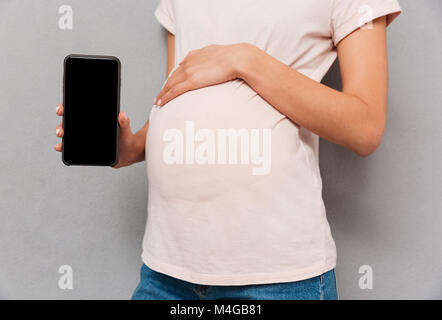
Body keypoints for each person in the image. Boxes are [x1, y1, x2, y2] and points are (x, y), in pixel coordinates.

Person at [54, 0, 401, 300]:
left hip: (275, 279)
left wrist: (244, 59)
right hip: (166, 269)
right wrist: (132, 147)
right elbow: (178, 91)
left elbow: (365, 126)